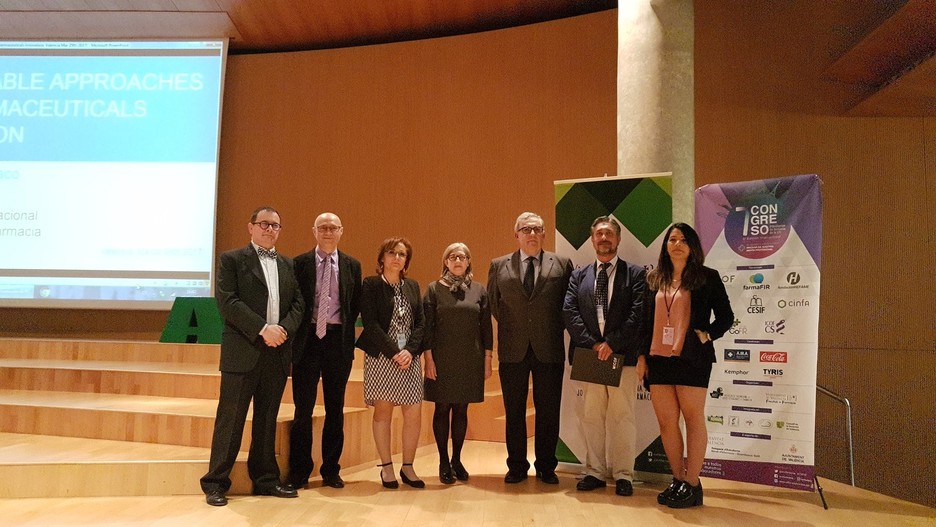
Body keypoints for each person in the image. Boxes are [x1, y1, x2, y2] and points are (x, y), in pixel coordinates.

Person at [200, 206, 305, 506]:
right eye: (264, 224)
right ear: (251, 227)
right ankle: (215, 483)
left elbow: (298, 303)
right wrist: (263, 329)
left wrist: (282, 330)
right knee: (230, 419)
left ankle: (266, 480)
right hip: (243, 351)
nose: (269, 229)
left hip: (277, 351)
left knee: (267, 419)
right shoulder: (232, 259)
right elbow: (228, 302)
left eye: (275, 225)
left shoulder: (287, 264)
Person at [640, 222, 733, 509]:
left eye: (683, 239)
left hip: (692, 359)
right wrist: (641, 358)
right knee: (666, 422)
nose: (677, 244)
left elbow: (726, 317)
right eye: (672, 239)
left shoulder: (706, 277)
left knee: (693, 419)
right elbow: (643, 323)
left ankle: (692, 483)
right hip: (658, 360)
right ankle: (678, 479)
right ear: (665, 246)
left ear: (692, 246)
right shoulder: (653, 278)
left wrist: (708, 335)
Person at [562, 216, 646, 497]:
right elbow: (569, 312)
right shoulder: (579, 276)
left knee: (623, 417)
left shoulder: (635, 274)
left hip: (622, 356)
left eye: (609, 233)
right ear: (592, 239)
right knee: (592, 417)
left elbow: (637, 314)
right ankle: (595, 472)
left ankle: (623, 475)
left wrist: (611, 343)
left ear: (618, 239)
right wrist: (594, 344)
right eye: (599, 234)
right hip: (590, 356)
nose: (604, 238)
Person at [487, 212, 573, 485]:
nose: (532, 234)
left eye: (537, 229)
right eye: (526, 229)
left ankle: (546, 466)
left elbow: (568, 305)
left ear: (544, 234)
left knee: (548, 411)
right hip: (513, 348)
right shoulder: (498, 265)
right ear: (517, 235)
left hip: (549, 347)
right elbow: (495, 304)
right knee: (514, 411)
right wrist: (519, 327)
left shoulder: (562, 264)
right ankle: (516, 466)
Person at [287, 212, 362, 489]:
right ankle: (299, 471)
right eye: (323, 227)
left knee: (335, 408)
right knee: (303, 410)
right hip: (307, 341)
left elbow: (354, 304)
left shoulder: (352, 265)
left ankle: (331, 470)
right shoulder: (299, 264)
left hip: (337, 342)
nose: (328, 232)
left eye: (333, 227)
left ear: (341, 231)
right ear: (314, 231)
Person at [355, 237, 426, 489]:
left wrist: (409, 351)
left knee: (413, 413)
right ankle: (386, 467)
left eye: (402, 254)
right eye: (392, 253)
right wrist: (395, 353)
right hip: (382, 357)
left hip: (409, 358)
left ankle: (408, 466)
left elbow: (421, 323)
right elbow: (371, 324)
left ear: (407, 261)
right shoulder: (371, 284)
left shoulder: (413, 286)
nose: (397, 258)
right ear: (382, 258)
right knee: (383, 412)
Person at [422, 243, 494, 484]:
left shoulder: (479, 290)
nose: (457, 260)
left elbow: (486, 328)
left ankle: (456, 460)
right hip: (441, 359)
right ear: (446, 262)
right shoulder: (433, 290)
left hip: (470, 358)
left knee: (462, 409)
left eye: (462, 257)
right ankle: (443, 461)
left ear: (468, 261)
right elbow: (427, 328)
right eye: (452, 257)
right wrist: (428, 359)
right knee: (442, 408)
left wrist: (488, 359)